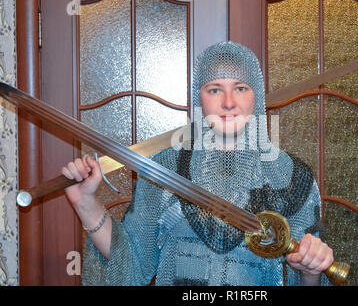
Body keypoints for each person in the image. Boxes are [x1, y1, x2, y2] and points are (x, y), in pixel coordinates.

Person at [62, 41, 334, 286]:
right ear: (199, 99)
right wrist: (85, 202)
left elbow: (307, 276)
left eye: (240, 88)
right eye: (215, 89)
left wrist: (311, 270)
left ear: (257, 97)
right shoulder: (166, 168)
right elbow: (131, 263)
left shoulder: (290, 178)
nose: (228, 103)